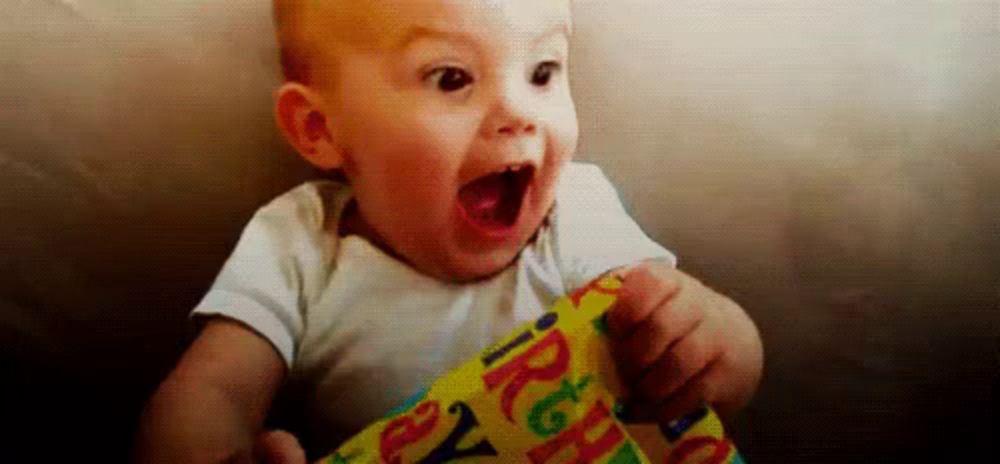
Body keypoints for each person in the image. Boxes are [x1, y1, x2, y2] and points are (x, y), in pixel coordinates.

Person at [136, 1, 763, 462]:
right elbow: (212, 391)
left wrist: (714, 339)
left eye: (543, 72)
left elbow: (689, 354)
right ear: (318, 129)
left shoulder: (573, 214)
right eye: (452, 78)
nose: (519, 112)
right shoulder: (301, 240)